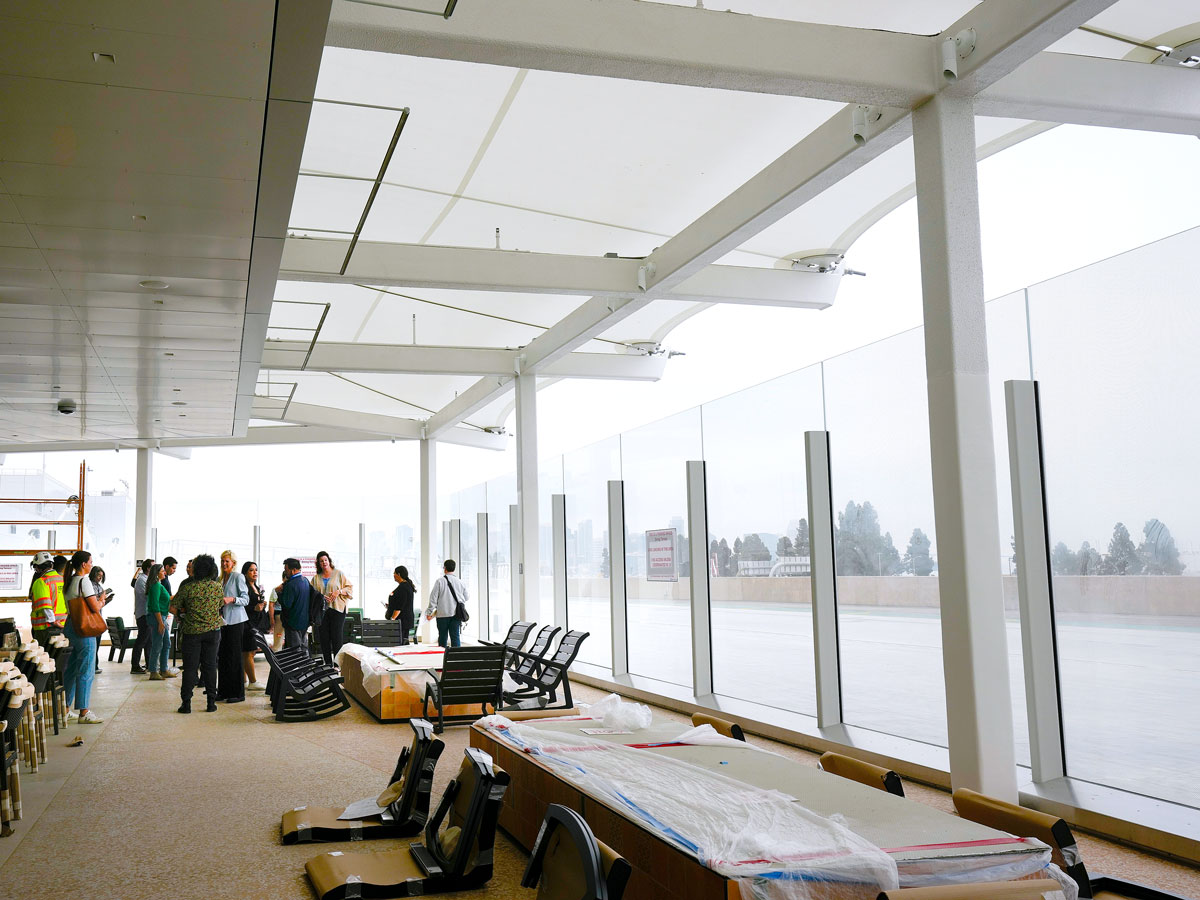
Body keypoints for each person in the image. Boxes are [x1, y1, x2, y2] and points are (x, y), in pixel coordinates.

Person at [171, 554, 223, 714]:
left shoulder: (188, 587)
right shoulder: (217, 587)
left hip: (192, 632)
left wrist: (181, 614)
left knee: (190, 668)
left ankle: (186, 704)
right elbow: (220, 605)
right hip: (212, 632)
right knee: (210, 667)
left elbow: (172, 607)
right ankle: (211, 703)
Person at [62, 550, 103, 724]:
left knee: (71, 669)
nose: (92, 565)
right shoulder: (83, 581)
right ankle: (84, 712)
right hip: (84, 628)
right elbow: (94, 607)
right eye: (90, 562)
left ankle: (65, 709)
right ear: (84, 564)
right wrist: (102, 600)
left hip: (70, 626)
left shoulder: (69, 580)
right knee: (86, 669)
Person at [217, 550, 249, 704]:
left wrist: (232, 599)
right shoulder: (220, 579)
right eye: (222, 561)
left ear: (233, 563)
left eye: (227, 561)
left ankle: (238, 693)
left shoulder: (238, 577)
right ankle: (223, 691)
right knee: (223, 657)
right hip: (223, 622)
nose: (224, 564)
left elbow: (245, 599)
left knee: (234, 657)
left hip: (236, 621)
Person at [311, 550, 352, 667]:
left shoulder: (339, 574)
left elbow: (349, 588)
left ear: (329, 561)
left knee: (336, 637)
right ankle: (328, 664)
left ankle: (337, 665)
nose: (324, 562)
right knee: (324, 637)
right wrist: (320, 596)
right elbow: (311, 593)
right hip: (322, 611)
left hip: (337, 610)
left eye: (325, 560)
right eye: (321, 561)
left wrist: (338, 592)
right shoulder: (316, 578)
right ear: (318, 563)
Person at [424, 559, 467, 648]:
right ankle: (456, 655)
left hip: (442, 615)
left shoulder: (440, 581)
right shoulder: (460, 582)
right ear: (454, 568)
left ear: (445, 568)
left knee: (442, 637)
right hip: (456, 614)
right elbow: (466, 597)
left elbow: (433, 598)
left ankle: (442, 654)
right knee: (455, 637)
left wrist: (429, 612)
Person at [28, 552, 65, 648]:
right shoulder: (63, 580)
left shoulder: (41, 581)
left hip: (46, 627)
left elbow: (45, 605)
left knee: (46, 654)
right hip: (63, 625)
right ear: (52, 564)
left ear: (37, 568)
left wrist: (52, 621)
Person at [241, 561, 267, 691]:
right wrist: (254, 608)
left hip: (255, 623)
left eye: (256, 570)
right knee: (248, 652)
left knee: (249, 652)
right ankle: (253, 681)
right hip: (247, 624)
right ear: (245, 573)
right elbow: (243, 605)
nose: (255, 572)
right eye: (251, 570)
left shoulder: (255, 586)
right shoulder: (245, 587)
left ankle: (244, 680)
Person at [278, 558, 313, 654]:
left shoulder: (290, 584)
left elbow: (286, 604)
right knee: (303, 648)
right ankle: (306, 663)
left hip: (292, 622)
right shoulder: (305, 581)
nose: (285, 572)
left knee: (295, 651)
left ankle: (299, 664)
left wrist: (279, 594)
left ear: (293, 570)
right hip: (304, 621)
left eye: (286, 569)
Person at [145, 564, 174, 680]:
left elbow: (167, 599)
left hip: (162, 617)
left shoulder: (159, 585)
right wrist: (160, 623)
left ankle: (164, 669)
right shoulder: (156, 586)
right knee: (158, 644)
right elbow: (155, 605)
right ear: (157, 574)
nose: (164, 573)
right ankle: (153, 671)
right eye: (162, 571)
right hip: (158, 617)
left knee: (166, 643)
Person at [130, 558, 153, 674]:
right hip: (143, 614)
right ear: (148, 568)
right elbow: (148, 596)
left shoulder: (146, 579)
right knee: (142, 640)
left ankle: (149, 663)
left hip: (146, 613)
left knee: (148, 641)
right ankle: (135, 666)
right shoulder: (141, 580)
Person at [387, 565, 416, 645]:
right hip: (406, 619)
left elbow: (399, 607)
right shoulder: (406, 585)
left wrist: (392, 619)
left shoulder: (403, 588)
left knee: (400, 643)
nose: (393, 575)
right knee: (403, 641)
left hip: (402, 620)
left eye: (394, 573)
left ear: (399, 574)